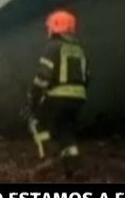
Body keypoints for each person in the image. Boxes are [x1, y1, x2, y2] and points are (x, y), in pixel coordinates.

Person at [27, 9, 89, 178]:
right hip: (78, 99)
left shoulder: (53, 47)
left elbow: (43, 76)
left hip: (58, 97)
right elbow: (87, 76)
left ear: (55, 27)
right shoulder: (79, 50)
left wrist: (33, 97)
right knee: (66, 131)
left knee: (37, 122)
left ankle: (47, 157)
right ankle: (74, 166)